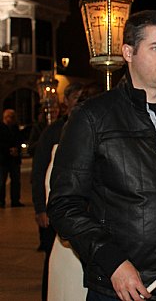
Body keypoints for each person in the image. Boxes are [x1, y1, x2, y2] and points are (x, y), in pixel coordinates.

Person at [47, 10, 156, 301]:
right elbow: (65, 205)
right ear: (128, 52)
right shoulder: (92, 118)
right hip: (121, 286)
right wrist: (112, 261)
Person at [30, 81, 83, 301]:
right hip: (56, 209)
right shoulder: (53, 132)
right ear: (67, 101)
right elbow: (39, 171)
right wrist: (41, 208)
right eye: (77, 99)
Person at [0, 108, 24, 207]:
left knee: (16, 181)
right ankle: (1, 201)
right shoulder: (1, 128)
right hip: (3, 159)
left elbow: (19, 140)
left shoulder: (15, 128)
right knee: (1, 181)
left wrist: (16, 149)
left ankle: (15, 200)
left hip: (14, 159)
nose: (11, 119)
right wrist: (9, 150)